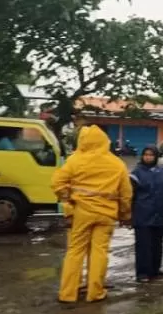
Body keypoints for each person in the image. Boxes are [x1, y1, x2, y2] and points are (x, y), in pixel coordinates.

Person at [51, 124, 132, 303]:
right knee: (99, 252)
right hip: (107, 215)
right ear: (105, 141)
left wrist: (67, 202)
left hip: (81, 213)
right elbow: (126, 194)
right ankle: (95, 292)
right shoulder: (117, 163)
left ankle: (67, 293)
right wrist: (125, 215)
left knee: (75, 251)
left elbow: (57, 183)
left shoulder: (75, 160)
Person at [129, 146, 163, 283]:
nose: (148, 157)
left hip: (159, 214)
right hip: (142, 214)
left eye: (151, 155)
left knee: (157, 244)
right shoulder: (136, 173)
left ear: (156, 157)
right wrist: (129, 214)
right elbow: (130, 195)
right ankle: (142, 273)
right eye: (146, 155)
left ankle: (155, 270)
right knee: (143, 245)